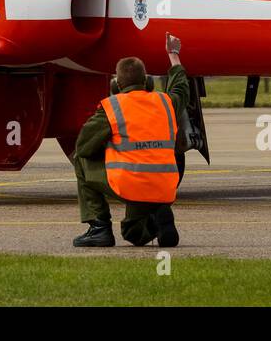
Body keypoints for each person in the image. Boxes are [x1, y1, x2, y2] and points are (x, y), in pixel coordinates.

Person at [72, 33, 189, 248]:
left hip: (131, 185)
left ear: (116, 84)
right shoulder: (166, 102)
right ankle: (157, 216)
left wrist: (109, 147)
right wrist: (173, 55)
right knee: (133, 233)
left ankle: (99, 228)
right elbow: (181, 87)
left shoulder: (112, 107)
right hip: (164, 186)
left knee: (79, 159)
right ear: (148, 82)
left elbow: (83, 146)